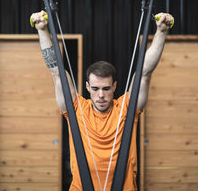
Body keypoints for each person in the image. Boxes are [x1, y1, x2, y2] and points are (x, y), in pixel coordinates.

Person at [30, 10, 174, 191]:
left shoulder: (126, 108)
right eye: (95, 89)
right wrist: (42, 30)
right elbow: (56, 73)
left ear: (114, 87)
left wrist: (161, 32)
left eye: (106, 89)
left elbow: (145, 72)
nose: (100, 95)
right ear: (87, 87)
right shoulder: (77, 108)